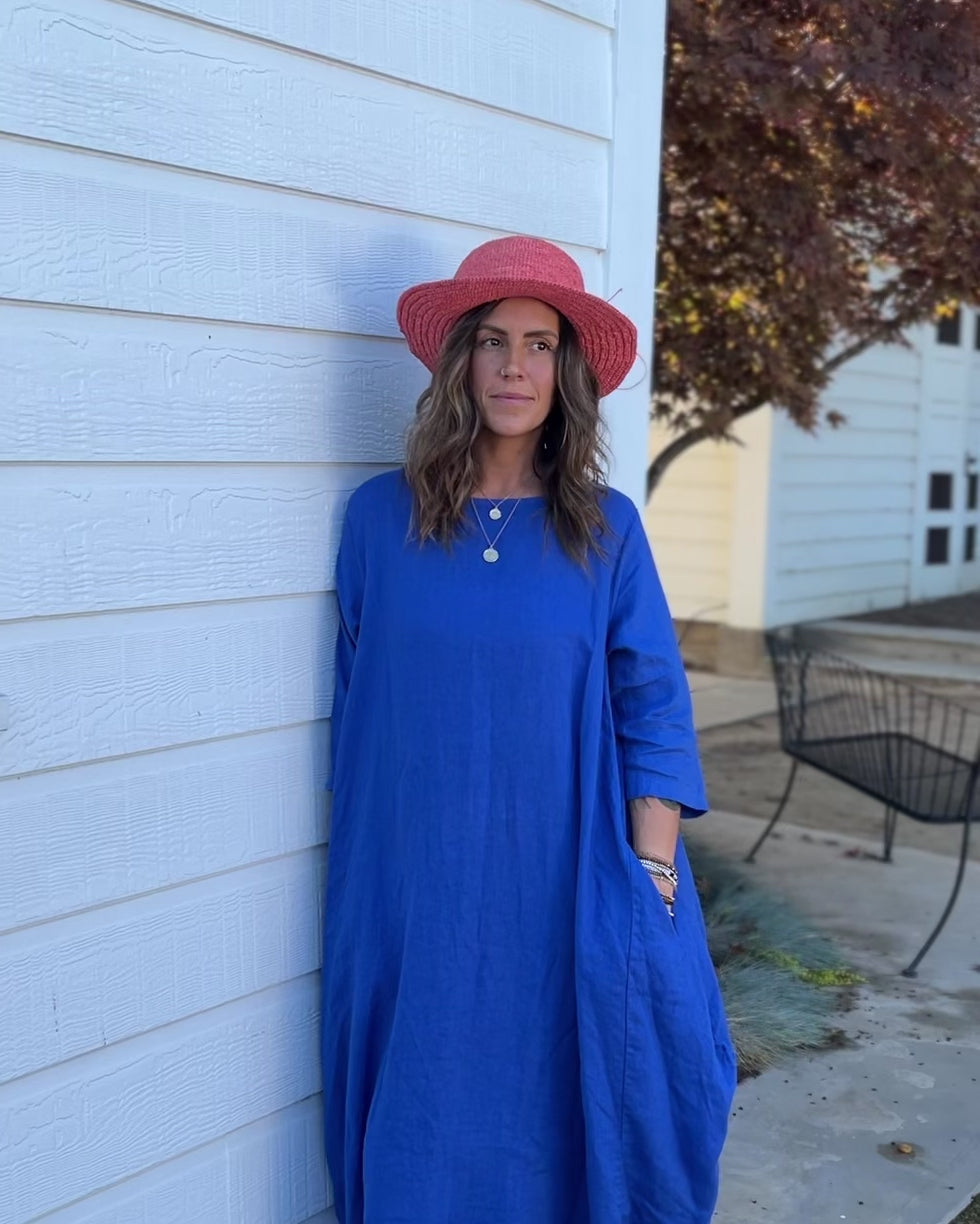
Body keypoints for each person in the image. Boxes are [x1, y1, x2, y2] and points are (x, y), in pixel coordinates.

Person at [321, 236, 736, 1224]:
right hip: (410, 885)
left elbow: (652, 702)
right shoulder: (378, 520)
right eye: (495, 341)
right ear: (459, 360)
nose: (515, 366)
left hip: (565, 874)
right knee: (425, 1094)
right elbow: (355, 708)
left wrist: (652, 874)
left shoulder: (605, 529)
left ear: (566, 373)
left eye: (541, 344)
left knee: (573, 1092)